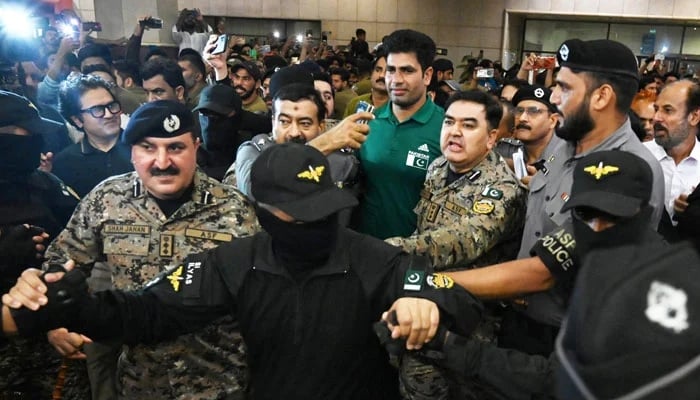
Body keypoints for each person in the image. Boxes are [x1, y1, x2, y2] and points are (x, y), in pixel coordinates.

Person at [2, 142, 483, 400]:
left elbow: (454, 298)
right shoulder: (233, 263)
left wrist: (429, 300)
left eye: (325, 208)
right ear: (266, 211)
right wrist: (78, 307)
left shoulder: (376, 259)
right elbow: (146, 314)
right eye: (300, 213)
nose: (316, 223)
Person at [40, 100, 260, 399]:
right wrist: (58, 320)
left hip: (219, 385)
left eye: (175, 148)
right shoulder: (107, 199)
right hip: (137, 383)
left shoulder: (234, 210)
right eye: (148, 147)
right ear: (131, 152)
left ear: (196, 147)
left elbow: (261, 295)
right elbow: (61, 262)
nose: (162, 161)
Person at [385, 90, 527, 399]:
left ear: (491, 138)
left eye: (468, 125)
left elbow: (464, 240)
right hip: (424, 302)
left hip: (468, 323)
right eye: (449, 122)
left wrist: (391, 249)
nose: (455, 132)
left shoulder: (501, 189)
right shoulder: (438, 168)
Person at [0, 90, 81, 399]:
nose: (38, 142)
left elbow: (84, 245)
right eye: (29, 134)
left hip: (51, 347)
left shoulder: (46, 185)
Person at [357, 29, 444, 239]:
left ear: (427, 75)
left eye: (407, 70)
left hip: (415, 255)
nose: (396, 80)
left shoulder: (446, 128)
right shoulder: (369, 121)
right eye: (391, 70)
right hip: (362, 248)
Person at [52, 74, 133, 197]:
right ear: (77, 120)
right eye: (97, 110)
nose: (109, 114)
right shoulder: (65, 163)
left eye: (112, 106)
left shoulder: (142, 147)